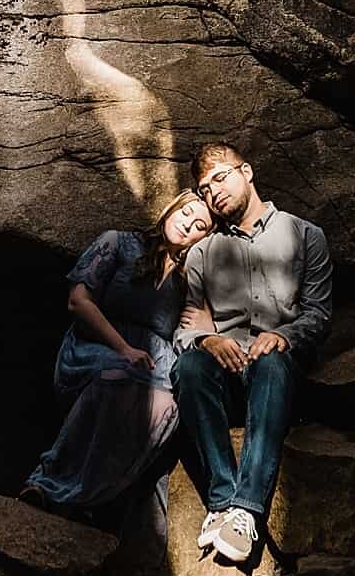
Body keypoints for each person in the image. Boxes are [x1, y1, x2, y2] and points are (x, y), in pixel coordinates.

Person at [19, 189, 214, 554]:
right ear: (171, 208)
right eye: (186, 212)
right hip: (99, 347)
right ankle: (48, 484)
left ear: (204, 238)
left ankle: (96, 501)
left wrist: (207, 324)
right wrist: (123, 348)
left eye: (200, 224)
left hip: (158, 365)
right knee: (119, 378)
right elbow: (78, 301)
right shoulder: (118, 243)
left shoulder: (190, 279)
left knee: (166, 408)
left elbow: (193, 331)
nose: (189, 223)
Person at [174, 138, 332, 567]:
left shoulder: (305, 235)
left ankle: (246, 510)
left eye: (220, 178)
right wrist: (209, 340)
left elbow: (319, 313)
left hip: (279, 375)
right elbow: (187, 327)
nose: (214, 192)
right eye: (205, 189)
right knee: (188, 367)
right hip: (225, 375)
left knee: (273, 360)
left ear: (246, 173)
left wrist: (286, 335)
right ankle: (222, 501)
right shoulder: (202, 254)